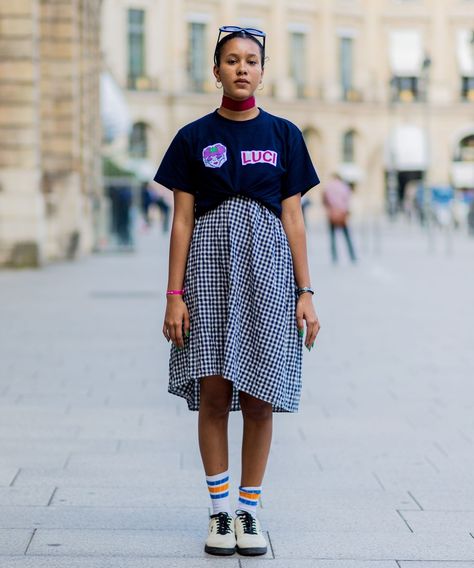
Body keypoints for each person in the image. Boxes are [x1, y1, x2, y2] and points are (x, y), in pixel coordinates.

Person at [154, 25, 321, 557]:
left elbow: (294, 217)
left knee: (260, 397)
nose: (242, 69)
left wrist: (306, 291)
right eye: (231, 60)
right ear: (216, 70)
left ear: (264, 71)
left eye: (251, 60)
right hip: (208, 269)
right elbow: (181, 221)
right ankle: (220, 512)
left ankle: (250, 510)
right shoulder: (193, 137)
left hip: (269, 271)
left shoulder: (284, 135)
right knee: (214, 391)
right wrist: (174, 295)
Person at [322, 173, 357, 263]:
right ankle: (352, 255)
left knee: (332, 236)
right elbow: (347, 200)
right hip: (342, 214)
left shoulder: (328, 187)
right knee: (347, 236)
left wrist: (329, 210)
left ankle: (334, 257)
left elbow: (324, 200)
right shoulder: (344, 187)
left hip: (332, 214)